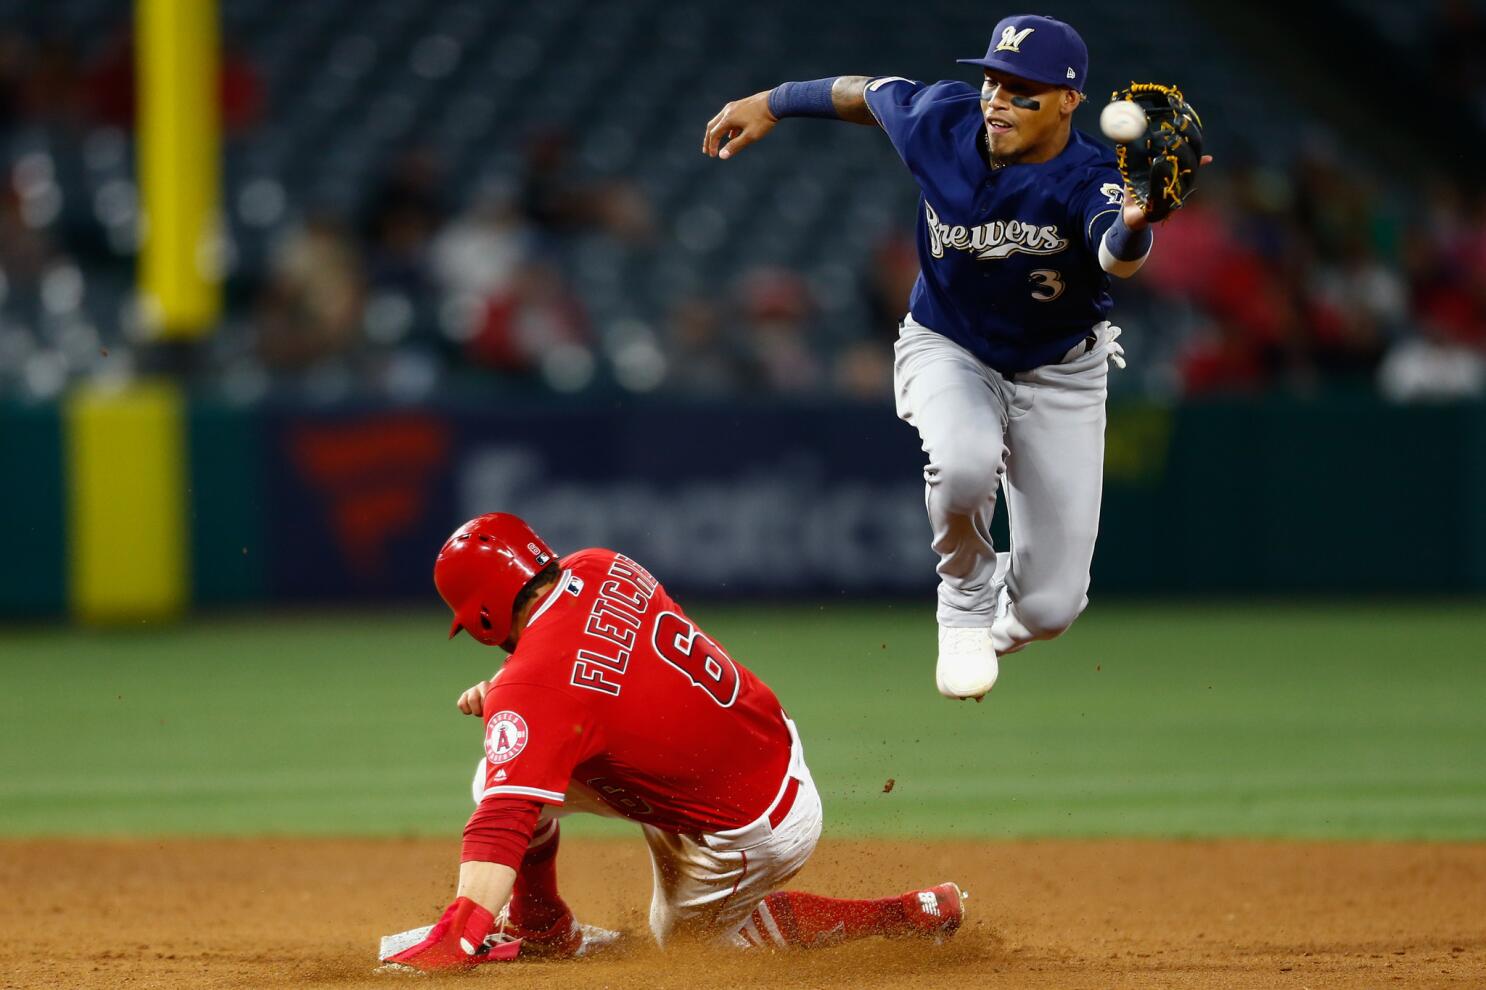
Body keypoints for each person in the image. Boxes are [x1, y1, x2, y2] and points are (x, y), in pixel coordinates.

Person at [702, 15, 1211, 701]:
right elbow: (863, 92)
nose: (998, 99)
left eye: (1021, 89)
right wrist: (770, 102)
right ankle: (966, 597)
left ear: (1068, 101)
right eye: (993, 81)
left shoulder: (1089, 177)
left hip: (1060, 370)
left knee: (1051, 611)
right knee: (965, 460)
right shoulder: (940, 120)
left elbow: (1115, 259)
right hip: (949, 346)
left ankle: (999, 625)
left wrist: (1138, 219)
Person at [382, 512, 966, 971]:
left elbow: (506, 819)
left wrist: (461, 933)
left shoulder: (536, 688)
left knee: (690, 950)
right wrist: (519, 693)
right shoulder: (600, 563)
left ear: (482, 615)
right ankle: (541, 927)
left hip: (747, 824)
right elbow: (597, 671)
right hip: (757, 743)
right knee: (499, 769)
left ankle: (905, 914)